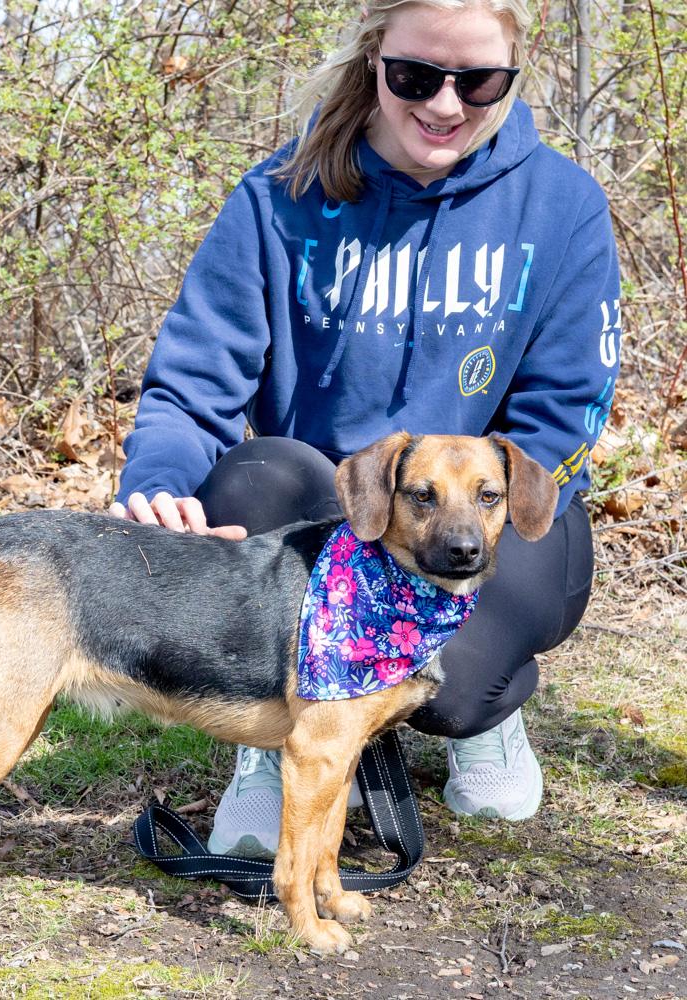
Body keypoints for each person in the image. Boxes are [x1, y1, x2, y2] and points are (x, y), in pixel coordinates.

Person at [108, 0, 621, 857]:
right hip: (334, 503)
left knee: (449, 687)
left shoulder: (562, 205)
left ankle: (486, 716)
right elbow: (194, 381)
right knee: (253, 472)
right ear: (374, 58)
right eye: (416, 77)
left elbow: (562, 412)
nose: (446, 105)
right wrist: (156, 481)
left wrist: (489, 505)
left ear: (514, 74)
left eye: (480, 81)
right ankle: (277, 742)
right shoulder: (279, 197)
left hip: (493, 511)